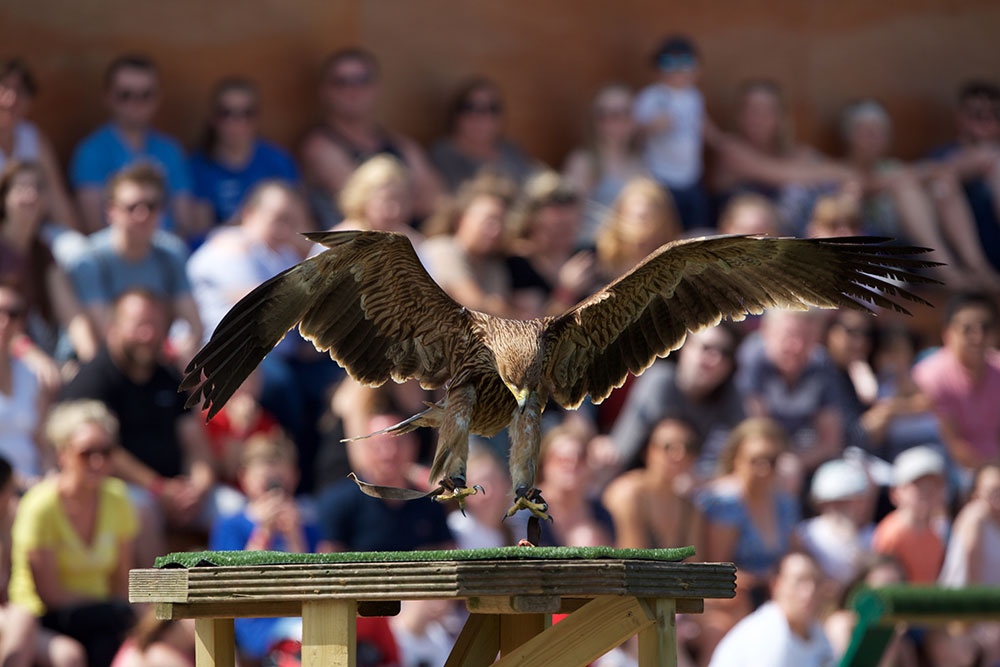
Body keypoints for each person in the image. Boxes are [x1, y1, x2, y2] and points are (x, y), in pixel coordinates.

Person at [60, 289, 220, 567]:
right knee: (142, 510)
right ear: (114, 327)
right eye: (139, 326)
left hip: (176, 490)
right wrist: (159, 489)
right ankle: (154, 604)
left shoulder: (169, 375)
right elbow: (101, 451)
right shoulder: (92, 380)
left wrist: (198, 488)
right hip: (121, 489)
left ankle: (239, 601)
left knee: (232, 510)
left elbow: (196, 444)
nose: (148, 335)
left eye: (155, 327)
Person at [9, 400, 138, 667]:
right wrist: (110, 608)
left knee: (120, 648)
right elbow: (50, 595)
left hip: (102, 616)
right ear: (62, 454)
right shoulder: (40, 505)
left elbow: (120, 581)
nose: (97, 461)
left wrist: (113, 609)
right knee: (71, 656)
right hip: (42, 618)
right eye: (86, 453)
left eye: (106, 451)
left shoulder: (118, 498)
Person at [837, 99, 998, 288]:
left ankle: (977, 266)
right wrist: (918, 173)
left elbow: (933, 172)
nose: (874, 138)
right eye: (866, 132)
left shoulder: (891, 166)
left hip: (914, 227)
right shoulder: (842, 168)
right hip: (874, 232)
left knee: (942, 185)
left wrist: (929, 173)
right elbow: (865, 184)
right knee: (906, 189)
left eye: (879, 132)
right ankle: (948, 273)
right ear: (849, 136)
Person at [209, 432, 329, 661]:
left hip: (303, 616)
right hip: (256, 622)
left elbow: (314, 580)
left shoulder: (307, 525)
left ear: (294, 477)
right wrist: (263, 530)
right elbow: (235, 582)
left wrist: (294, 535)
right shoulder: (231, 525)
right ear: (244, 477)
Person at [67, 163, 202, 360]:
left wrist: (184, 350)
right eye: (132, 207)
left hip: (156, 358)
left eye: (151, 206)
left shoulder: (172, 252)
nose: (142, 215)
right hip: (101, 361)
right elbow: (106, 333)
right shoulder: (90, 259)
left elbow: (194, 325)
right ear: (110, 211)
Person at [299, 48, 442, 227]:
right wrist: (408, 197)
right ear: (325, 91)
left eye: (362, 80)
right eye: (341, 82)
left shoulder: (401, 144)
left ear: (377, 87)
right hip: (355, 246)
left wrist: (399, 200)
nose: (352, 89)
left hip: (407, 242)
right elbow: (366, 203)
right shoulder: (319, 146)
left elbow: (437, 201)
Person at [69, 55, 194, 237]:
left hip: (166, 252)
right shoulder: (90, 152)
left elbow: (184, 223)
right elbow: (94, 227)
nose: (135, 104)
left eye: (145, 95)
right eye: (125, 95)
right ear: (108, 97)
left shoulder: (171, 150)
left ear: (157, 98)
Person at [705, 79, 853, 233]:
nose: (759, 118)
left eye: (767, 110)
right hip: (743, 245)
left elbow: (849, 175)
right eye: (752, 110)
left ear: (780, 117)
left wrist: (848, 189)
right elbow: (784, 174)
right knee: (796, 191)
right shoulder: (731, 149)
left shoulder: (797, 153)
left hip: (794, 241)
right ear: (739, 115)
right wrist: (833, 173)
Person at [606, 323, 745, 478]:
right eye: (706, 348)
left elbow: (739, 454)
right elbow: (623, 450)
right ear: (684, 347)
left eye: (725, 353)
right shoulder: (660, 381)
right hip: (637, 477)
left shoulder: (730, 395)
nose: (715, 359)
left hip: (693, 487)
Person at [317, 403, 453, 552]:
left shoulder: (430, 505)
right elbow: (327, 564)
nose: (389, 453)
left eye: (398, 442)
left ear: (414, 445)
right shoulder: (339, 502)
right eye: (380, 445)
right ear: (365, 448)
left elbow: (448, 557)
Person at [0, 161, 98, 364]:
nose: (31, 195)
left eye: (37, 187)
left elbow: (71, 314)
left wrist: (92, 364)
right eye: (21, 188)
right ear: (4, 198)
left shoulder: (43, 251)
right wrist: (29, 353)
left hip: (36, 352)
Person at [736, 309, 843, 489]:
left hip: (800, 455)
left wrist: (797, 460)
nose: (797, 346)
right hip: (753, 453)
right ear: (766, 332)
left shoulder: (821, 365)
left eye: (807, 338)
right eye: (789, 336)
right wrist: (785, 462)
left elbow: (830, 441)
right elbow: (759, 432)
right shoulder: (752, 361)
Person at [189, 77, 300, 237]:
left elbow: (299, 222)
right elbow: (201, 235)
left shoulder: (277, 160)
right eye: (226, 113)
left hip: (278, 246)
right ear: (213, 118)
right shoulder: (198, 166)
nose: (237, 122)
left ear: (257, 117)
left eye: (246, 113)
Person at [912, 292, 1000, 473]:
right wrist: (989, 472)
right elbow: (953, 444)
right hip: (951, 470)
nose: (978, 337)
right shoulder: (930, 374)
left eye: (985, 327)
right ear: (947, 333)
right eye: (967, 329)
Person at [632, 36, 708, 230]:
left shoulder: (694, 96)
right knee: (667, 228)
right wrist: (651, 126)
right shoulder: (651, 96)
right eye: (668, 63)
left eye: (685, 63)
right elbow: (633, 133)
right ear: (657, 69)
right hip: (661, 179)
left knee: (696, 228)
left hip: (691, 178)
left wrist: (723, 142)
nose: (677, 70)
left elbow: (703, 125)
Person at [709, 551, 834, 667]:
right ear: (776, 585)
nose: (809, 592)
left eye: (816, 582)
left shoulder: (817, 632)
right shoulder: (765, 635)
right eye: (799, 581)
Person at [925, 81, 1000, 275]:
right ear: (960, 117)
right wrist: (963, 168)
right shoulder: (941, 156)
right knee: (941, 184)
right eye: (976, 115)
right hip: (963, 258)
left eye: (993, 115)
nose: (985, 121)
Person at [420, 171, 518, 316]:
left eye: (500, 222)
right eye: (489, 221)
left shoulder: (494, 267)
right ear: (460, 219)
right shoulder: (442, 249)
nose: (496, 230)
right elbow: (476, 307)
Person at [0, 59, 80, 232]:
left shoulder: (33, 138)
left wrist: (75, 245)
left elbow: (57, 202)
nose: (10, 99)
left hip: (31, 238)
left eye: (20, 91)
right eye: (4, 87)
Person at [602, 417, 703, 552]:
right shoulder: (628, 495)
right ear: (649, 450)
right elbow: (632, 562)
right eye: (668, 447)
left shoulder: (690, 508)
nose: (679, 455)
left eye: (688, 447)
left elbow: (697, 567)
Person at [563, 83, 647, 245]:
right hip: (595, 247)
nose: (610, 120)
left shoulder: (639, 161)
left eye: (620, 113)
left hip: (633, 248)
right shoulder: (583, 162)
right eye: (602, 114)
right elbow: (570, 219)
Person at [506, 170, 597, 318]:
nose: (565, 235)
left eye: (571, 226)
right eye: (557, 227)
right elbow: (534, 329)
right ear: (531, 222)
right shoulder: (518, 265)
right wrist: (565, 293)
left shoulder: (587, 254)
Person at [429, 77, 537, 192]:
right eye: (469, 107)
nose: (481, 117)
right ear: (455, 114)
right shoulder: (444, 155)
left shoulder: (510, 149)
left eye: (491, 108)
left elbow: (535, 183)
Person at [871, 445, 948, 583]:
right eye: (918, 485)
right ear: (896, 492)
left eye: (934, 485)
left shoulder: (936, 535)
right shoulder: (891, 535)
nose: (927, 492)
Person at [794, 458, 875, 588]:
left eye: (846, 502)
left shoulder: (874, 535)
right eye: (833, 502)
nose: (840, 509)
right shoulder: (806, 534)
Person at [0, 283, 52, 483]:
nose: (4, 321)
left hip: (32, 488)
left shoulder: (31, 375)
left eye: (13, 314)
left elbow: (42, 442)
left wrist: (50, 477)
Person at [594, 176, 680, 281]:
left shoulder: (675, 267)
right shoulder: (596, 261)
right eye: (636, 218)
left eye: (650, 220)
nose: (640, 229)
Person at [939, 463, 1000, 587]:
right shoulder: (975, 516)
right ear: (976, 494)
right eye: (992, 491)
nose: (997, 497)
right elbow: (970, 557)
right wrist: (976, 602)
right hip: (966, 602)